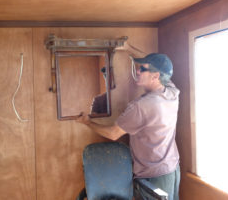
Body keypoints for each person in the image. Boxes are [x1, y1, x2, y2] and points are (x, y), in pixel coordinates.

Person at [77, 53, 180, 200]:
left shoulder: (142, 106)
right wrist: (127, 47)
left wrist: (87, 122)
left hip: (153, 176)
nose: (137, 71)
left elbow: (113, 133)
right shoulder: (171, 92)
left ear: (156, 75)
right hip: (172, 169)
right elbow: (166, 72)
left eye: (143, 69)